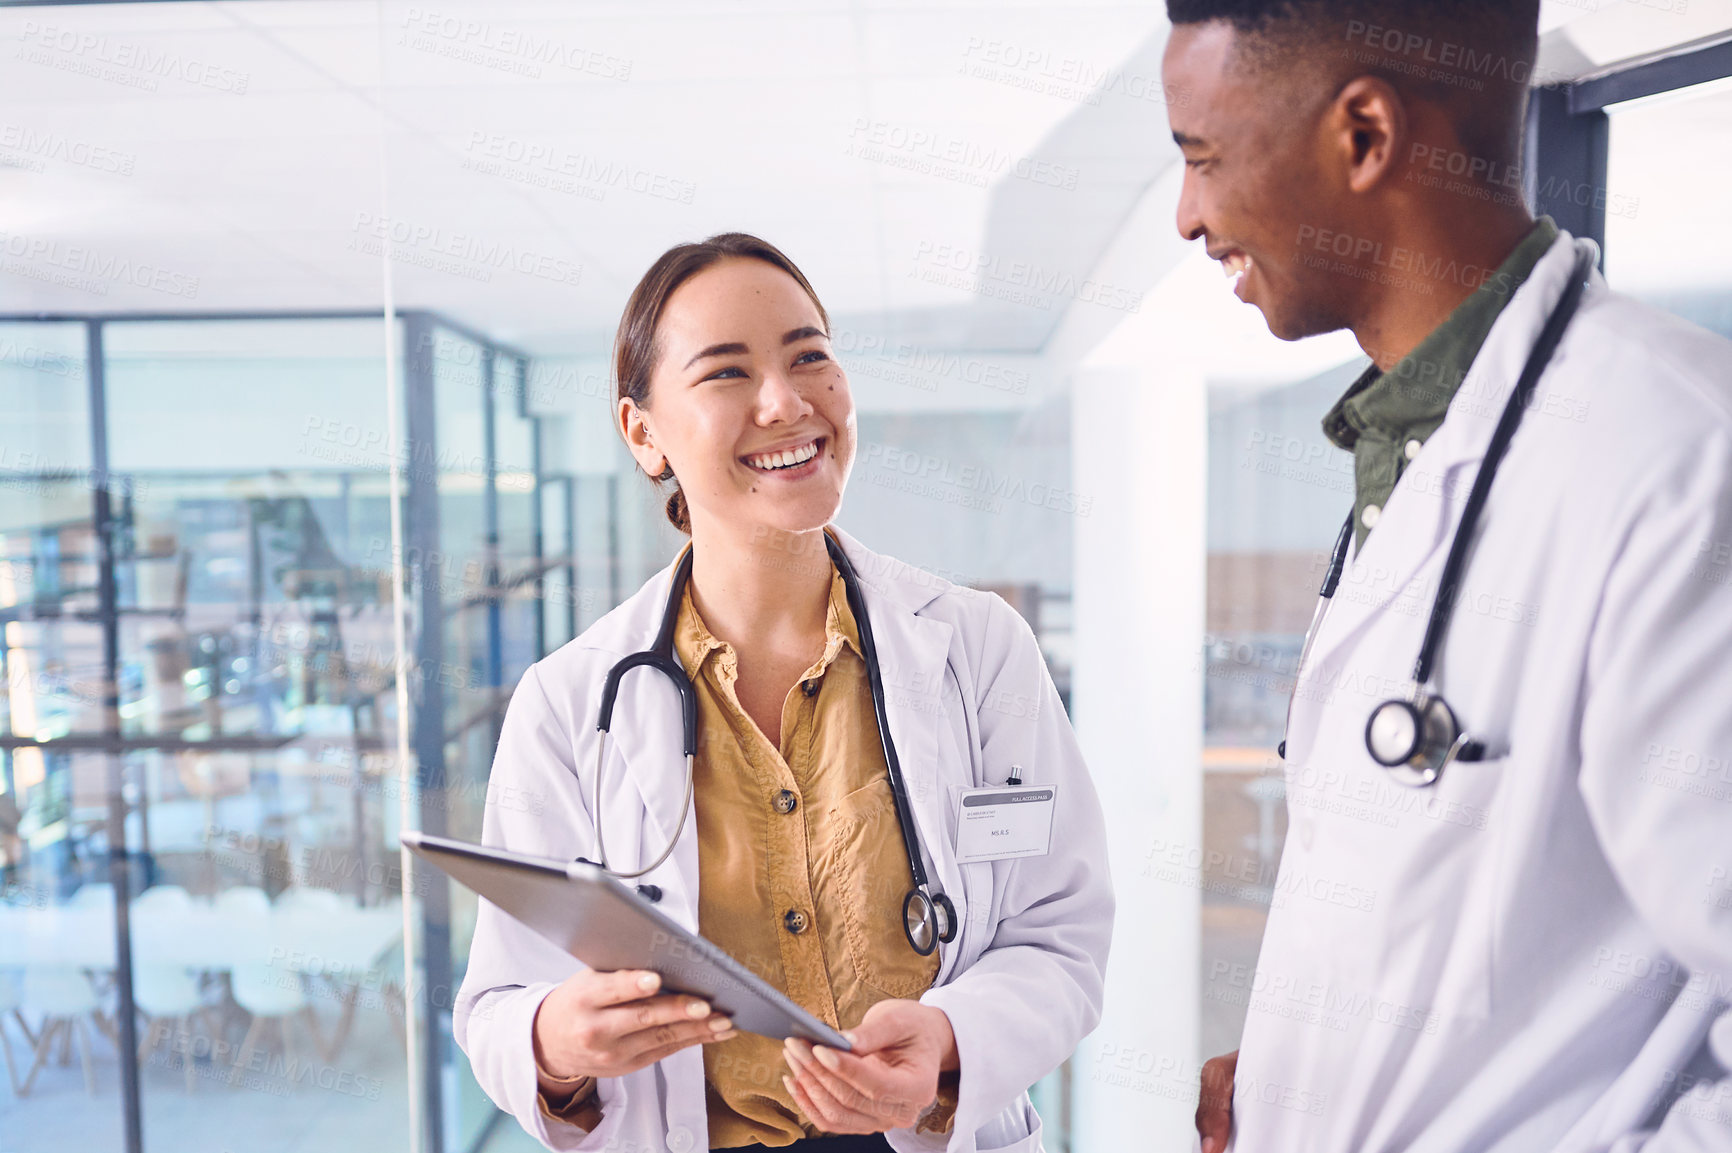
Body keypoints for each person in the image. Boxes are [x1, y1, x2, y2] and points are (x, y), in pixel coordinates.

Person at [1162, 2, 1732, 1150]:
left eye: (1203, 158)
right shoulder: (1416, 440)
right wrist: (1295, 1080)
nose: (1190, 217)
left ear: (1365, 134)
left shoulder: (1675, 458)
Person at [454, 232, 1113, 1153]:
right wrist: (557, 1044)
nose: (788, 401)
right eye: (727, 374)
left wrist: (953, 1039)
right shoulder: (568, 704)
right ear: (644, 434)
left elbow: (1062, 934)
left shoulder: (977, 649)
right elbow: (496, 1004)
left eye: (810, 356)